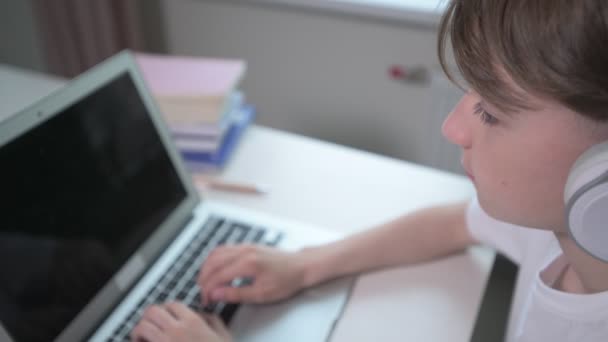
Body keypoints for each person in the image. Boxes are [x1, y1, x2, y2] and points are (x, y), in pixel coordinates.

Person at [131, 0, 608, 341]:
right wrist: (303, 265)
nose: (453, 126)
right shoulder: (555, 222)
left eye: (492, 111)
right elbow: (453, 223)